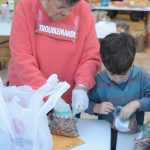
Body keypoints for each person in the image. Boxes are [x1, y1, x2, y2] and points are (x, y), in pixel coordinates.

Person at [7, 0, 100, 114]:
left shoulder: (83, 10)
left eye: (71, 8)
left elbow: (90, 56)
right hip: (29, 97)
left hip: (65, 102)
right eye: (60, 7)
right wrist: (50, 94)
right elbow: (22, 58)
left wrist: (82, 86)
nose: (67, 13)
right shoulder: (26, 6)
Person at [86, 33, 150, 150]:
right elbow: (83, 103)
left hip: (133, 135)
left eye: (123, 74)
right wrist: (95, 107)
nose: (118, 79)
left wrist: (137, 104)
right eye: (112, 74)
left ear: (131, 64)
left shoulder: (142, 77)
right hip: (106, 133)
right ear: (104, 65)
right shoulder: (98, 81)